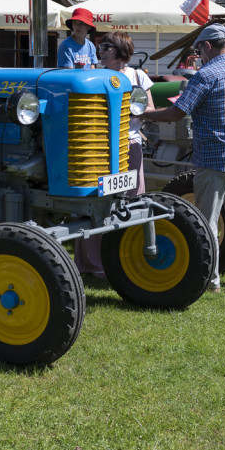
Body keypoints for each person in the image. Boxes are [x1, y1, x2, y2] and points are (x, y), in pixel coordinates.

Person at [141, 23, 225, 291]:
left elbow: (176, 114)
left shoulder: (205, 76)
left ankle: (210, 280)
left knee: (206, 222)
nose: (199, 54)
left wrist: (141, 114)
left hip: (214, 160)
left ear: (208, 46)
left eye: (199, 49)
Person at [75, 31, 155, 277]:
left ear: (120, 50)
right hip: (99, 147)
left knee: (131, 202)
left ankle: (127, 258)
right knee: (95, 202)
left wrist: (134, 110)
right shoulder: (94, 76)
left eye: (106, 46)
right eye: (100, 46)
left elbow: (149, 107)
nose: (100, 51)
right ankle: (91, 263)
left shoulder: (138, 75)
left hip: (130, 144)